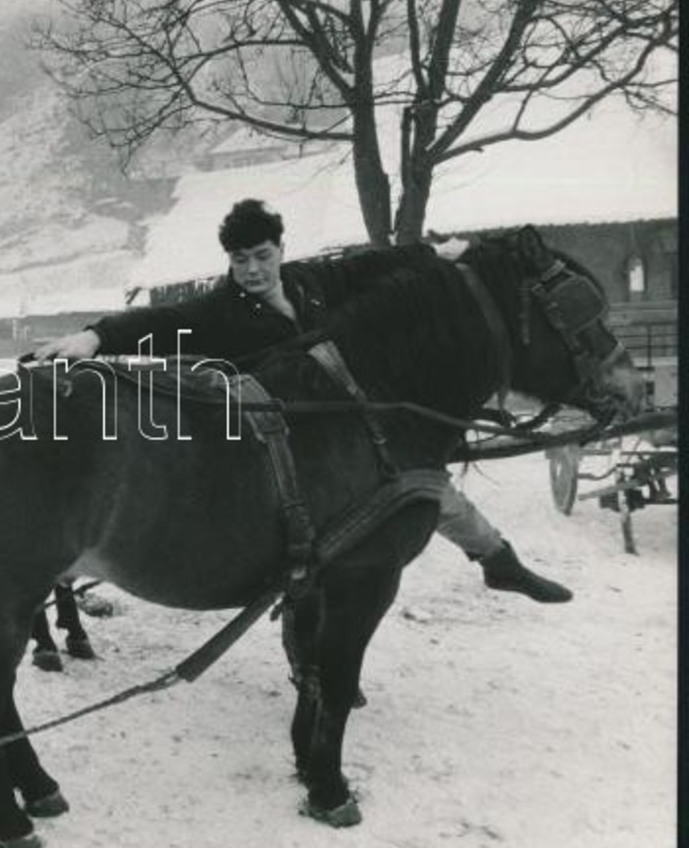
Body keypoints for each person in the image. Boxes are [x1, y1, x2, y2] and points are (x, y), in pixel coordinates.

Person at [32, 198, 573, 604]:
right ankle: (493, 560)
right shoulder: (222, 311)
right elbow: (160, 322)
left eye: (261, 256)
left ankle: (497, 559)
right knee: (371, 514)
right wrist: (94, 338)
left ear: (280, 251)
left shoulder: (311, 281)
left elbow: (375, 264)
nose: (252, 269)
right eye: (240, 259)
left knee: (420, 484)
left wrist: (443, 251)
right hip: (272, 449)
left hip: (344, 431)